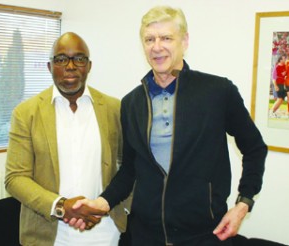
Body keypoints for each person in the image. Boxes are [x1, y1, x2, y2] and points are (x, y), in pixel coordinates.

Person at [73, 6, 267, 246]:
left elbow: (255, 148)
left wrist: (243, 203)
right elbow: (130, 170)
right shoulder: (132, 103)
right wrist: (101, 202)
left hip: (205, 234)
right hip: (145, 234)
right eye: (149, 39)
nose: (157, 47)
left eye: (166, 38)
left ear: (184, 41)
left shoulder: (218, 92)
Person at [5, 32, 129, 246]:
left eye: (79, 59)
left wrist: (119, 206)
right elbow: (15, 177)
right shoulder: (26, 113)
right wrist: (61, 206)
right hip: (48, 233)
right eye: (61, 59)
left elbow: (130, 166)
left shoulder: (114, 108)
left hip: (105, 230)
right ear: (50, 67)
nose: (70, 66)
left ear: (89, 66)